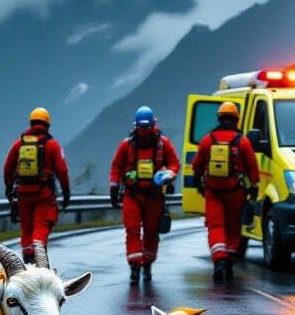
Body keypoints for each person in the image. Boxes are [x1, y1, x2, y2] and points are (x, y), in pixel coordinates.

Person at [109, 106, 180, 284]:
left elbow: (174, 163)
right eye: (141, 127)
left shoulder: (163, 144)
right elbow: (116, 167)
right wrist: (114, 187)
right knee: (132, 230)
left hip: (154, 195)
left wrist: (169, 176)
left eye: (147, 127)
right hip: (132, 194)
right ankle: (135, 267)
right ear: (136, 126)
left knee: (151, 231)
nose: (144, 130)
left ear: (153, 125)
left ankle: (147, 265)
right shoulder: (127, 145)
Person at [192, 101, 259, 283]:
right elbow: (253, 168)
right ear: (236, 119)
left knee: (216, 226)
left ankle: (219, 259)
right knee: (232, 227)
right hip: (235, 192)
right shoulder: (242, 141)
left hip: (213, 191)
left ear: (219, 118)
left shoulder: (207, 140)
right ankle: (229, 259)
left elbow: (197, 166)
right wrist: (253, 190)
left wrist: (199, 183)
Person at [3, 107, 71, 264]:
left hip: (23, 193)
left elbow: (8, 168)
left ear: (31, 123)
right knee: (41, 225)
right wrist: (66, 192)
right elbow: (62, 170)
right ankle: (39, 257)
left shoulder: (19, 144)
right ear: (47, 125)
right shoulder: (52, 145)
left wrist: (9, 187)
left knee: (26, 227)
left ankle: (27, 257)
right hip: (44, 193)